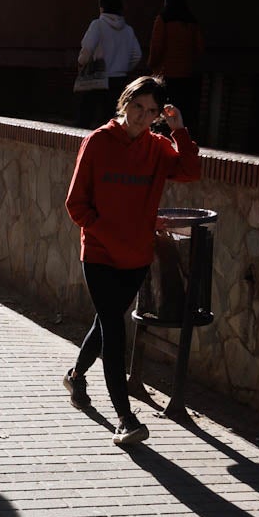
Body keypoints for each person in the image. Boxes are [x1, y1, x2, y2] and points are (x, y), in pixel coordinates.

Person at [63, 75, 200, 446]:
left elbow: (189, 171)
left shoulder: (157, 147)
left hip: (137, 255)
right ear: (125, 103)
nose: (142, 117)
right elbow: (76, 204)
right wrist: (104, 231)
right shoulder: (97, 142)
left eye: (151, 111)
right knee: (114, 328)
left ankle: (76, 376)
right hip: (100, 253)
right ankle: (125, 418)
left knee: (106, 324)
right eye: (137, 107)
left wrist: (179, 131)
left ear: (158, 116)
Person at [75, 0, 142, 128]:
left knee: (86, 116)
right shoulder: (128, 30)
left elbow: (87, 47)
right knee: (112, 120)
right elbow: (137, 55)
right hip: (119, 79)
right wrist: (124, 67)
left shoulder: (97, 25)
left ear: (102, 8)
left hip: (97, 77)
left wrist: (82, 62)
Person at [147, 0, 205, 134]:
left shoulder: (163, 18)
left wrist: (151, 65)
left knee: (163, 109)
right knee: (182, 110)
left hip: (165, 73)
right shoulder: (192, 21)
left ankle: (162, 136)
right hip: (186, 74)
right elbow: (199, 48)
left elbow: (157, 46)